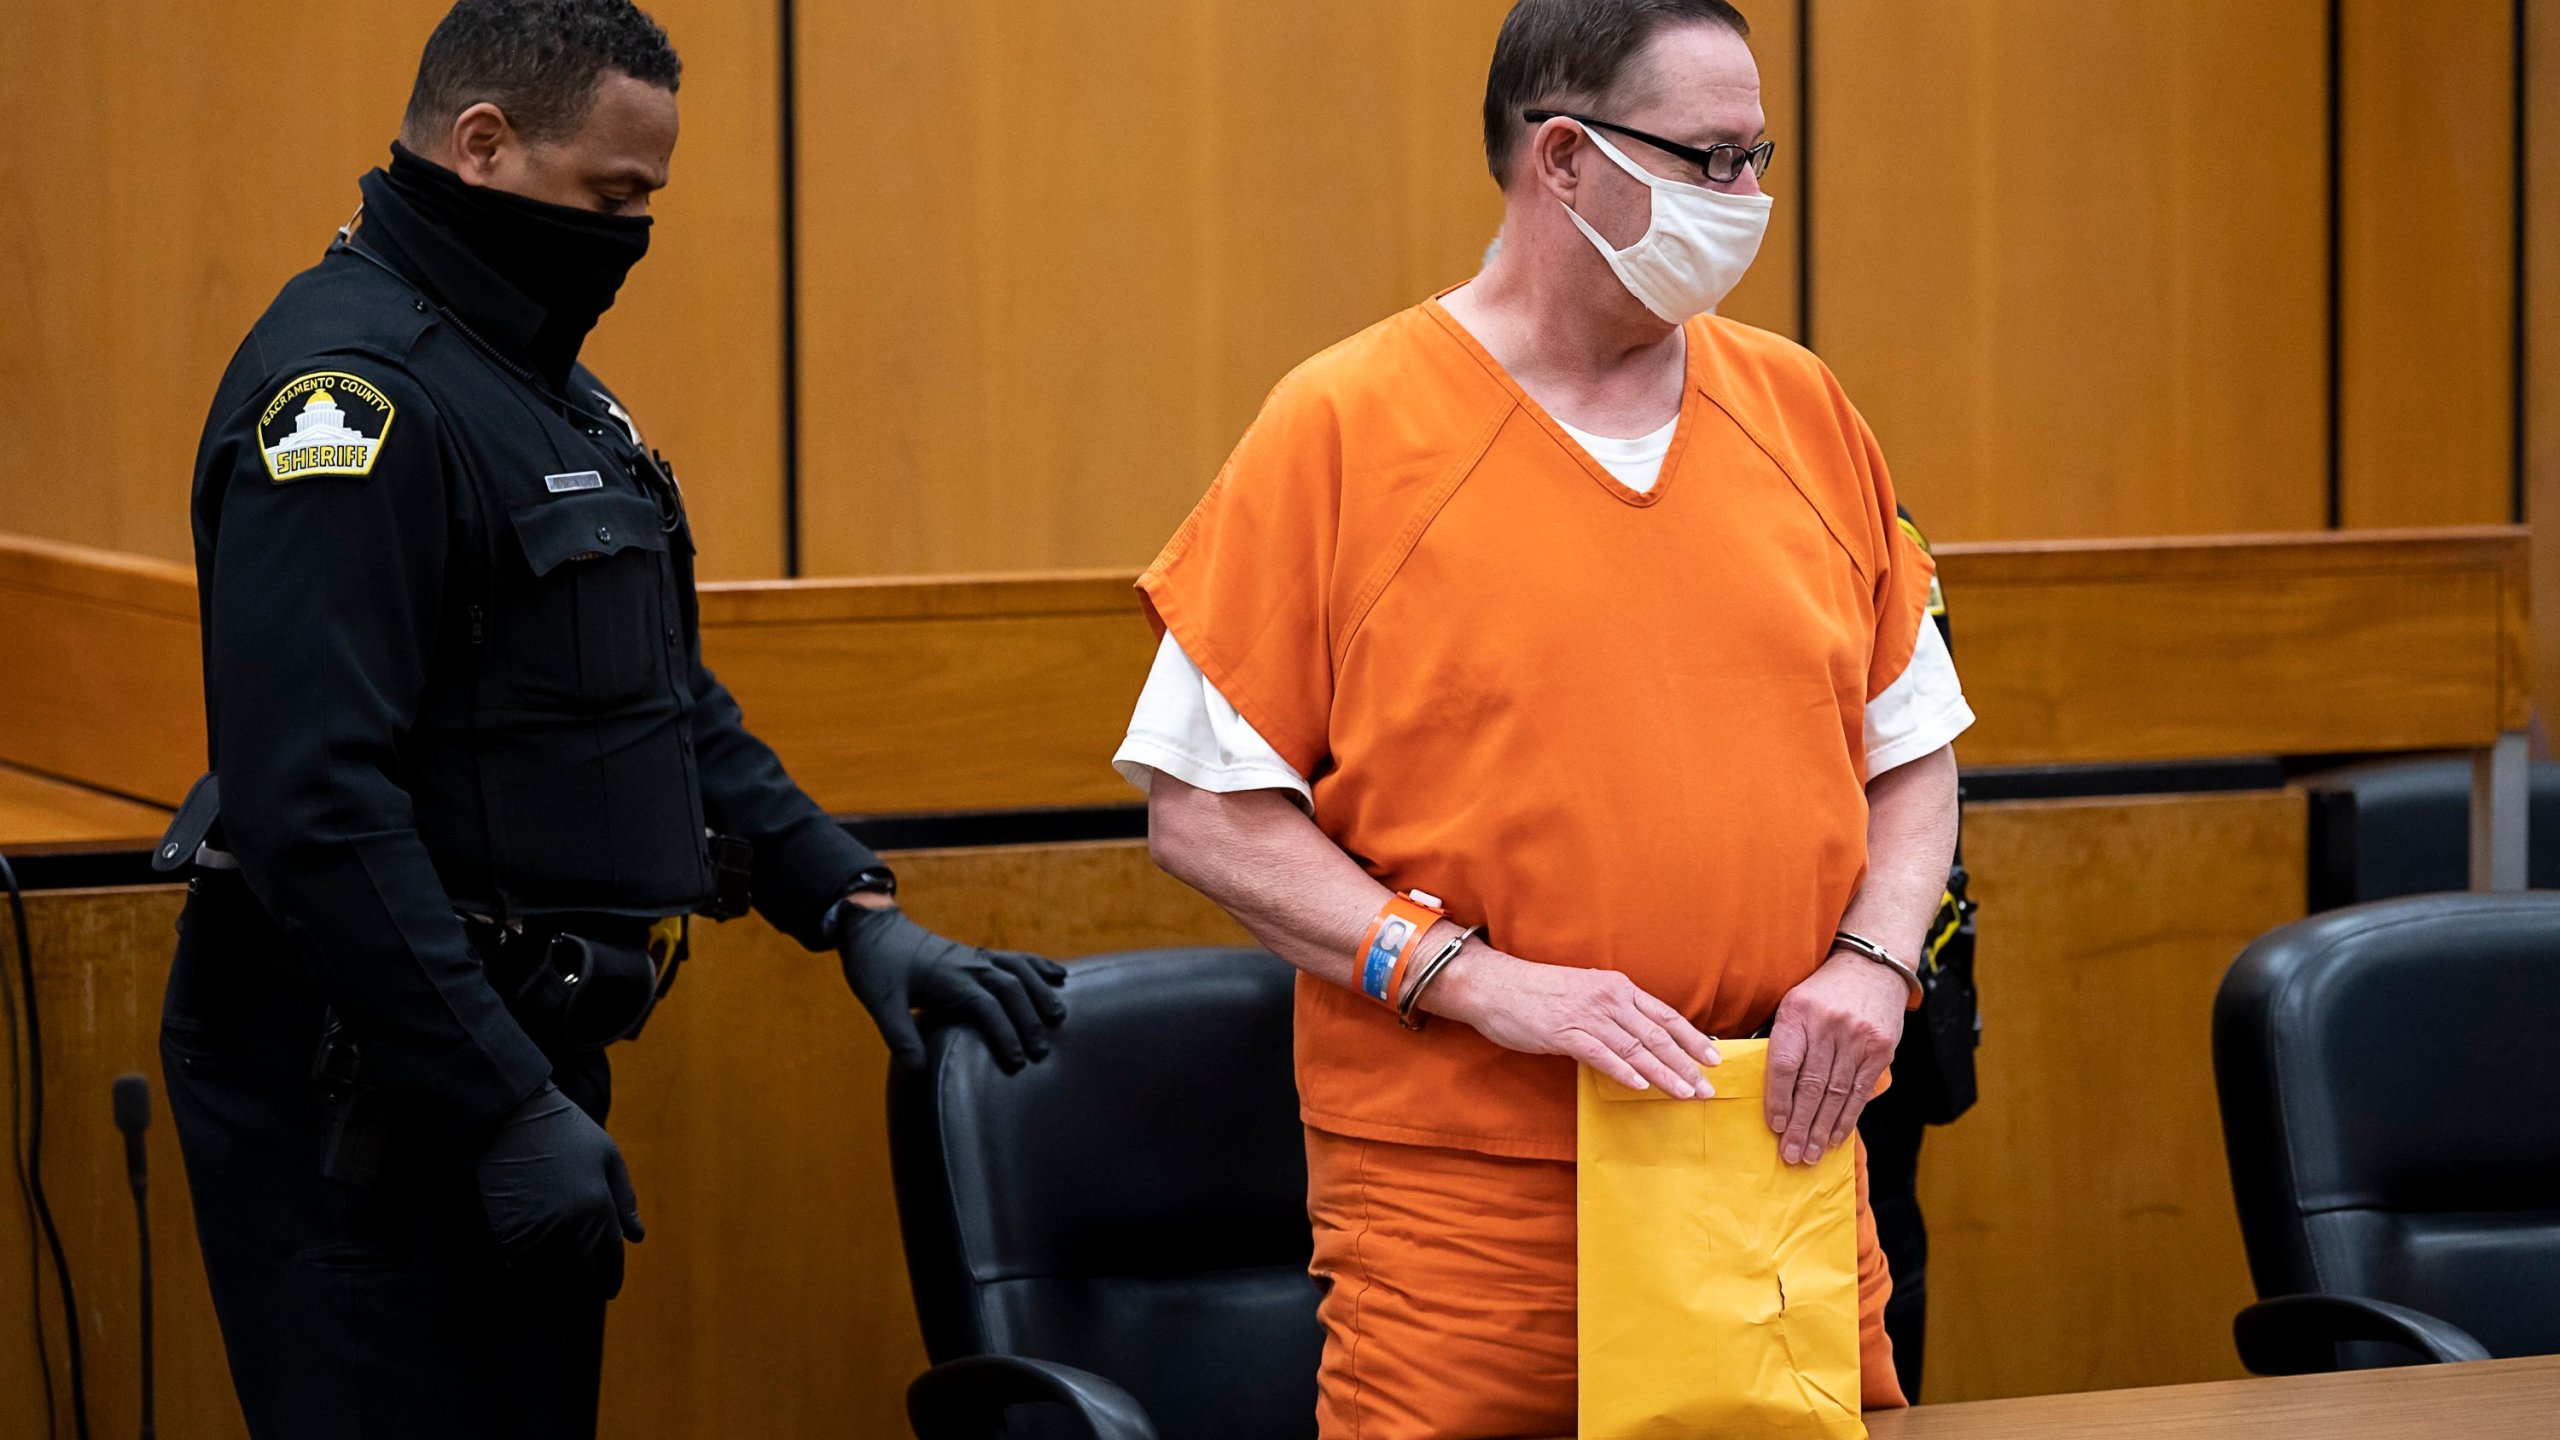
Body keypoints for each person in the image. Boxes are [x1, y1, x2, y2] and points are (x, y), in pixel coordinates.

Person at [161, 4, 1065, 1436]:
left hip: (514, 1071)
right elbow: (313, 807)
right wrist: (500, 1104)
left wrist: (852, 907)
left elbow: (649, 700)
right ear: (483, 144)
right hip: (371, 1100)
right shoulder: (350, 401)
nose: (633, 235)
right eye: (614, 197)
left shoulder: (537, 389)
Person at [1114, 1, 1969, 1434]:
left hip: (1771, 1163)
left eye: (1761, 155)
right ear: (1564, 159)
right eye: (1710, 159)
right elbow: (1203, 813)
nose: (1749, 199)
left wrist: (1876, 965)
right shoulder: (1343, 426)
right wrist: (1485, 983)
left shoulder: (1805, 407)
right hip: (1471, 1199)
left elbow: (1914, 754)